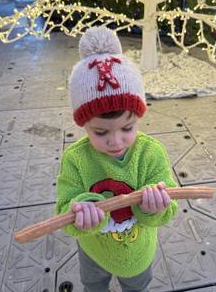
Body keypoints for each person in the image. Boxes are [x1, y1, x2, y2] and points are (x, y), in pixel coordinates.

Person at [56, 26, 178, 292]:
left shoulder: (151, 153)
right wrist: (79, 211)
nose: (116, 141)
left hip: (138, 253)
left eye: (128, 127)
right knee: (93, 286)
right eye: (101, 132)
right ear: (83, 124)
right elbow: (63, 207)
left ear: (138, 119)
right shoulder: (76, 159)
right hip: (93, 251)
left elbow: (168, 210)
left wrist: (154, 207)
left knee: (137, 287)